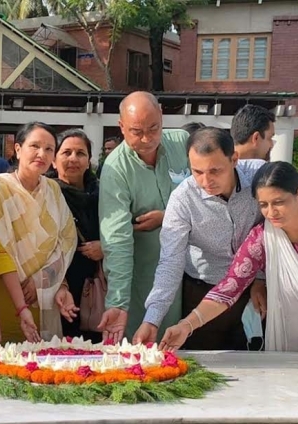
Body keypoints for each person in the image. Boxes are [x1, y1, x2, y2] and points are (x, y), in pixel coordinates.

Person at [160, 162, 298, 353]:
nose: (271, 212)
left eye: (278, 202)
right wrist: (187, 325)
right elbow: (229, 288)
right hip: (288, 338)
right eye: (263, 204)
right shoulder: (261, 239)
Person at [133, 128, 266, 349]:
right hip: (203, 294)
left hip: (253, 293)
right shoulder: (183, 199)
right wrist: (152, 319)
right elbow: (170, 261)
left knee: (255, 368)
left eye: (215, 171)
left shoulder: (259, 178)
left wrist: (261, 278)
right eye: (197, 171)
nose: (206, 181)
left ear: (234, 159)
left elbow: (273, 229)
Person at [98, 91, 191, 343]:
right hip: (145, 271)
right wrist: (118, 301)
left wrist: (167, 217)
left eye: (154, 128)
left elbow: (206, 196)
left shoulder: (182, 143)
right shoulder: (115, 168)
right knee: (145, 344)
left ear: (162, 116)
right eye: (137, 132)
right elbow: (116, 239)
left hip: (194, 267)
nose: (147, 139)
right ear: (121, 127)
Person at [0, 122, 78, 345]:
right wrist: (21, 303)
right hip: (5, 292)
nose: (41, 154)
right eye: (34, 146)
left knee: (41, 365)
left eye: (49, 149)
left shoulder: (53, 190)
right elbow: (0, 250)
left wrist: (47, 282)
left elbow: (65, 240)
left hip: (43, 293)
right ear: (17, 149)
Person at [49, 129, 103, 342]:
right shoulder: (48, 193)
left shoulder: (103, 194)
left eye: (80, 153)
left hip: (95, 281)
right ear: (54, 161)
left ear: (89, 161)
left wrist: (105, 246)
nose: (73, 159)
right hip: (59, 281)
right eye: (66, 152)